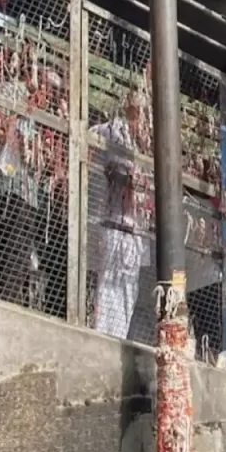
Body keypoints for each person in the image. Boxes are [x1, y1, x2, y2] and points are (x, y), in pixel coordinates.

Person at [88, 91, 152, 340]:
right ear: (132, 112)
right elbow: (92, 156)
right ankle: (102, 337)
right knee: (108, 285)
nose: (144, 122)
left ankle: (119, 337)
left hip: (135, 230)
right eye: (141, 115)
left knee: (129, 288)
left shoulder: (144, 144)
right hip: (113, 222)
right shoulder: (111, 130)